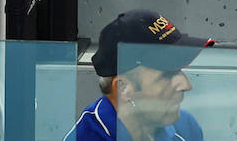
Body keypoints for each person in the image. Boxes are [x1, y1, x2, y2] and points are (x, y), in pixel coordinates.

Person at [67, 10, 214, 140]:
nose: (186, 85)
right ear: (123, 88)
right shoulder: (87, 136)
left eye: (180, 70)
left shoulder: (186, 127)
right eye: (166, 75)